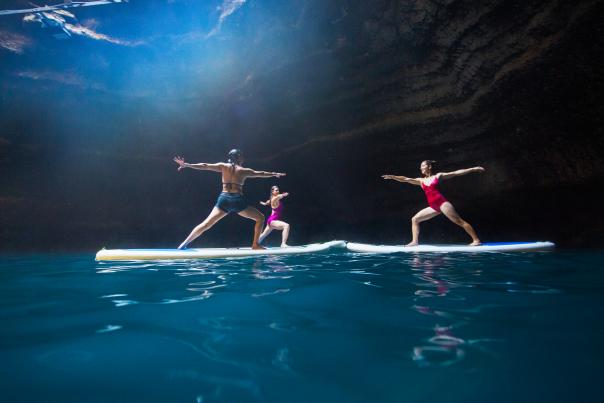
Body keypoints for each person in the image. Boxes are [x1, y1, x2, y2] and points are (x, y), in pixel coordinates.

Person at [173, 149, 285, 250]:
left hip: (224, 199)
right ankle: (255, 245)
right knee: (260, 218)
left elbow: (205, 165)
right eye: (242, 157)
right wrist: (274, 174)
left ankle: (183, 244)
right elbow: (260, 174)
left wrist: (187, 165)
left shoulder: (223, 166)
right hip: (237, 201)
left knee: (206, 224)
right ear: (239, 158)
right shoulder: (243, 170)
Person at [382, 160, 484, 246]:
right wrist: (393, 177)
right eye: (420, 166)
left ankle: (476, 240)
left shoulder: (438, 176)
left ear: (429, 167)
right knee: (415, 219)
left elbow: (456, 173)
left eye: (423, 165)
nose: (421, 168)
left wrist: (473, 169)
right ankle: (414, 242)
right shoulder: (420, 181)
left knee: (459, 221)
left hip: (442, 204)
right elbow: (405, 179)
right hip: (433, 207)